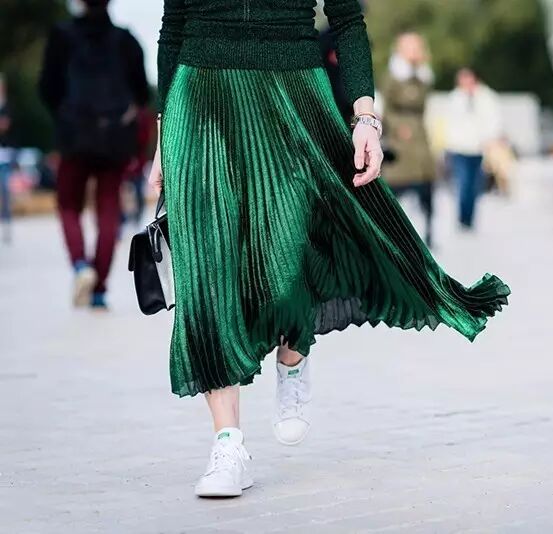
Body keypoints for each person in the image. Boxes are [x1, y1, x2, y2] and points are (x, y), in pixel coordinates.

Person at [150, 0, 510, 498]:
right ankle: (227, 444)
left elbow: (347, 20)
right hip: (200, 99)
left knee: (290, 257)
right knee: (209, 271)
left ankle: (293, 353)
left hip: (293, 89)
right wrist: (163, 133)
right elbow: (172, 27)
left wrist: (365, 117)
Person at [39, 0, 149, 309]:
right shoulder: (126, 40)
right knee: (109, 209)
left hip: (74, 133)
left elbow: (47, 87)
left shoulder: (62, 36)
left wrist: (63, 114)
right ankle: (99, 289)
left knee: (68, 204)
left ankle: (80, 265)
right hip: (114, 137)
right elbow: (141, 92)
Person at [381, 32, 437, 246]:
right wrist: (397, 128)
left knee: (426, 184)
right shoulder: (393, 76)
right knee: (398, 184)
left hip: (420, 136)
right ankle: (393, 233)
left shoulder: (423, 76)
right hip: (401, 137)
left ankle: (428, 232)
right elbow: (386, 107)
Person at [444, 68, 501, 230]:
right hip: (459, 148)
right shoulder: (455, 98)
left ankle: (469, 218)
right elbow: (450, 123)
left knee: (474, 185)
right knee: (463, 183)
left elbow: (493, 120)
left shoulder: (486, 97)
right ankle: (463, 218)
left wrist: (490, 139)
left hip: (478, 148)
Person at [0, 74, 13, 243]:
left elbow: (5, 126)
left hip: (4, 156)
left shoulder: (7, 107)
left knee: (5, 191)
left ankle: (7, 224)